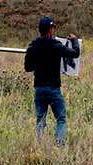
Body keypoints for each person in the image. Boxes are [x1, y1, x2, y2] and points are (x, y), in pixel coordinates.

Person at [24, 16, 80, 145]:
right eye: (53, 28)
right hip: (54, 88)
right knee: (61, 119)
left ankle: (39, 145)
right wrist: (75, 41)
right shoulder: (56, 45)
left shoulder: (33, 45)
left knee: (40, 119)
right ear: (50, 29)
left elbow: (28, 68)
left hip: (39, 88)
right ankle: (59, 145)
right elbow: (75, 53)